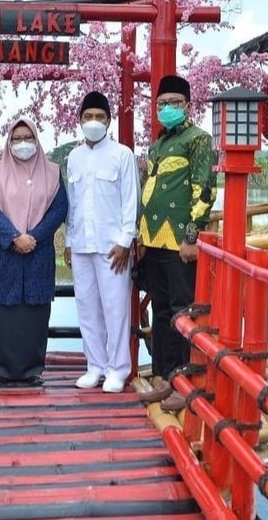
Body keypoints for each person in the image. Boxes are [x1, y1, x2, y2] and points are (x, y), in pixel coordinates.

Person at [135, 74, 217, 412]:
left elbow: (205, 190)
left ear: (188, 105)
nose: (167, 108)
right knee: (162, 310)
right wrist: (140, 234)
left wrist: (192, 236)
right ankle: (165, 378)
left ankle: (186, 382)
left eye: (174, 103)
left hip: (179, 241)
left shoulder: (198, 140)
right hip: (153, 241)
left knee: (183, 313)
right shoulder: (157, 144)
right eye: (162, 103)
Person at [0, 119, 69, 387]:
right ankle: (0, 370)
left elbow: (58, 209)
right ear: (9, 142)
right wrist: (14, 237)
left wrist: (35, 237)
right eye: (16, 138)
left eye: (28, 137)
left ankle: (32, 370)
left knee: (34, 313)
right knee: (0, 313)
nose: (22, 143)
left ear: (36, 139)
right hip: (2, 252)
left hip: (37, 254)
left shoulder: (52, 172)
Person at [64, 91, 140, 393]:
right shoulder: (74, 157)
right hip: (82, 244)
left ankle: (117, 369)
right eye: (87, 117)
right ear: (80, 121)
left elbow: (130, 202)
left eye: (99, 117)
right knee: (87, 307)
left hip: (112, 247)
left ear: (108, 121)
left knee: (115, 308)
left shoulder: (123, 155)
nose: (93, 122)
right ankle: (94, 366)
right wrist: (69, 241)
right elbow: (72, 203)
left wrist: (125, 241)